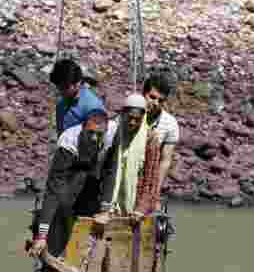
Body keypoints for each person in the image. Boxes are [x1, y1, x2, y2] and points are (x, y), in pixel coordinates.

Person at [27, 107, 115, 260]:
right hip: (73, 171)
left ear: (106, 131)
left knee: (92, 196)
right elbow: (53, 189)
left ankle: (87, 247)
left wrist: (105, 210)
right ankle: (59, 245)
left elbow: (110, 173)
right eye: (90, 133)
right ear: (83, 128)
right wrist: (42, 235)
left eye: (99, 134)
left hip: (95, 169)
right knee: (64, 201)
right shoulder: (68, 141)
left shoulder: (111, 136)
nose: (94, 138)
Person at [102, 93, 163, 221]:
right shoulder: (113, 133)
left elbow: (151, 178)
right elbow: (105, 170)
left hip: (135, 209)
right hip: (111, 206)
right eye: (129, 118)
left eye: (137, 119)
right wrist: (104, 206)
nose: (132, 122)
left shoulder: (150, 138)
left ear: (143, 117)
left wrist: (141, 208)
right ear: (123, 114)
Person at [142, 68, 181, 200]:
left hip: (149, 172)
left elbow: (165, 160)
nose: (155, 103)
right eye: (152, 97)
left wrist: (155, 190)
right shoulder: (129, 115)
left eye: (160, 100)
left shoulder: (170, 124)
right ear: (144, 94)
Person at [50, 57, 104, 135]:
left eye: (65, 87)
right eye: (59, 87)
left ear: (77, 83)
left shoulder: (92, 107)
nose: (61, 91)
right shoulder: (61, 104)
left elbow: (95, 141)